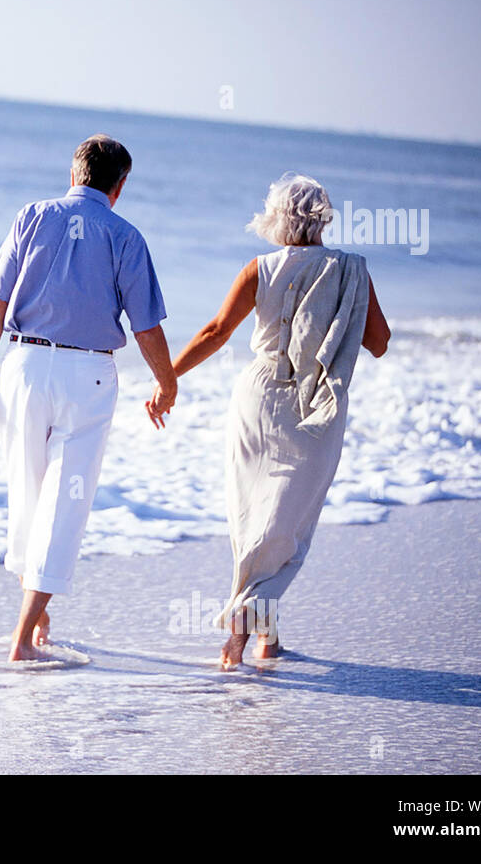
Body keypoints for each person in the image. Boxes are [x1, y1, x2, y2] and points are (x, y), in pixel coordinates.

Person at [161, 173, 391, 669]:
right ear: (324, 216)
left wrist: (168, 378)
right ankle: (245, 634)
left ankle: (263, 636)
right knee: (289, 527)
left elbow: (216, 331)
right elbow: (379, 342)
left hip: (257, 398)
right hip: (316, 403)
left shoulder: (259, 268)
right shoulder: (351, 270)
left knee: (252, 523)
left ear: (276, 217)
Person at [0, 134, 177, 661]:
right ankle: (23, 637)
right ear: (120, 186)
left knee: (28, 495)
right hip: (88, 376)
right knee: (65, 503)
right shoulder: (126, 237)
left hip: (22, 366)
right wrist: (167, 381)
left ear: (73, 173)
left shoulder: (32, 216)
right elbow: (146, 326)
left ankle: (36, 622)